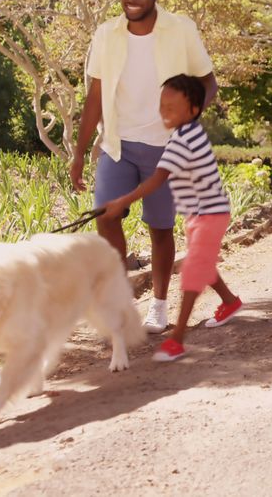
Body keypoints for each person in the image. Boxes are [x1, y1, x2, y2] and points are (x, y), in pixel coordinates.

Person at [70, 0, 219, 335]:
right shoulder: (107, 34)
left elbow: (208, 81)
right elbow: (95, 96)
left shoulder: (180, 29)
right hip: (118, 144)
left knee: (160, 228)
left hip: (165, 147)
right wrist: (78, 151)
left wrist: (190, 120)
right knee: (105, 216)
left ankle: (158, 304)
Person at [101, 75, 244, 362]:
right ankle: (230, 301)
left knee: (193, 268)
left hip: (210, 213)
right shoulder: (187, 132)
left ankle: (177, 339)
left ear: (192, 110)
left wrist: (121, 201)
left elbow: (156, 181)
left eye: (172, 108)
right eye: (162, 106)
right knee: (201, 262)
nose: (164, 112)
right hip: (199, 213)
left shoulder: (183, 139)